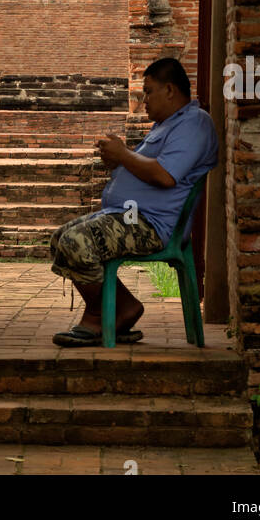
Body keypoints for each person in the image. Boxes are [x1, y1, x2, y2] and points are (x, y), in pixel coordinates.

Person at [49, 57, 218, 347]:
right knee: (60, 238)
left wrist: (124, 154)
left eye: (148, 92)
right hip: (129, 216)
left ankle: (98, 316)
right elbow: (144, 167)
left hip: (152, 224)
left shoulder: (194, 123)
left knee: (75, 242)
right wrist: (117, 161)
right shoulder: (165, 125)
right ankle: (123, 308)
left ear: (169, 90)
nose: (144, 101)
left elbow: (165, 176)